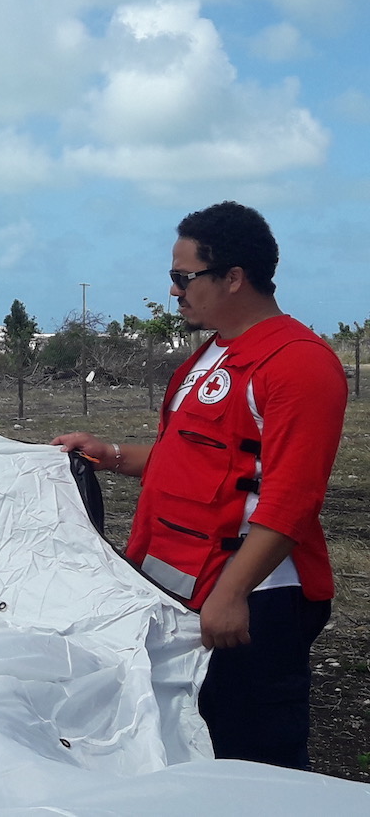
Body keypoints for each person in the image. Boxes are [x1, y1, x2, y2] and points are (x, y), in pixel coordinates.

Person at [52, 201, 347, 770]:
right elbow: (184, 461)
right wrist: (107, 453)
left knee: (256, 761)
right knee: (192, 749)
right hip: (182, 591)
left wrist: (232, 594)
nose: (173, 292)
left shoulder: (298, 364)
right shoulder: (211, 355)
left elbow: (292, 499)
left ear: (233, 277)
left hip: (254, 602)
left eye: (182, 278)